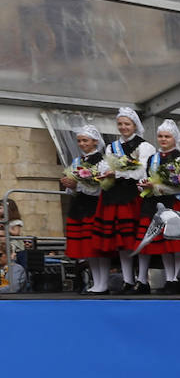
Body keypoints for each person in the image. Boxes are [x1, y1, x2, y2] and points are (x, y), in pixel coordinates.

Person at [97, 106, 155, 293]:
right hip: (115, 196)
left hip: (135, 196)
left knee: (138, 239)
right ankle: (128, 280)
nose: (123, 127)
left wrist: (118, 172)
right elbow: (105, 167)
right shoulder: (110, 146)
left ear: (135, 125)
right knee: (122, 241)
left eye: (127, 124)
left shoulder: (144, 146)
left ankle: (142, 280)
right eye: (120, 124)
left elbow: (143, 170)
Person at [136, 120, 180, 294]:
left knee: (176, 246)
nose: (163, 139)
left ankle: (177, 278)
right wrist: (144, 185)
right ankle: (169, 279)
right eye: (160, 136)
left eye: (167, 136)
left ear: (174, 138)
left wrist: (156, 187)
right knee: (164, 245)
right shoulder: (153, 158)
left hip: (175, 202)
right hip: (156, 204)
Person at [58, 125, 110, 293]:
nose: (81, 144)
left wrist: (78, 184)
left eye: (85, 140)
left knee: (98, 247)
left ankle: (104, 282)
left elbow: (101, 187)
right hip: (80, 206)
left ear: (95, 141)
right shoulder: (77, 161)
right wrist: (69, 184)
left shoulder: (102, 162)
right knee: (88, 248)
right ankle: (97, 282)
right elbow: (73, 187)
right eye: (79, 141)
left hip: (95, 206)